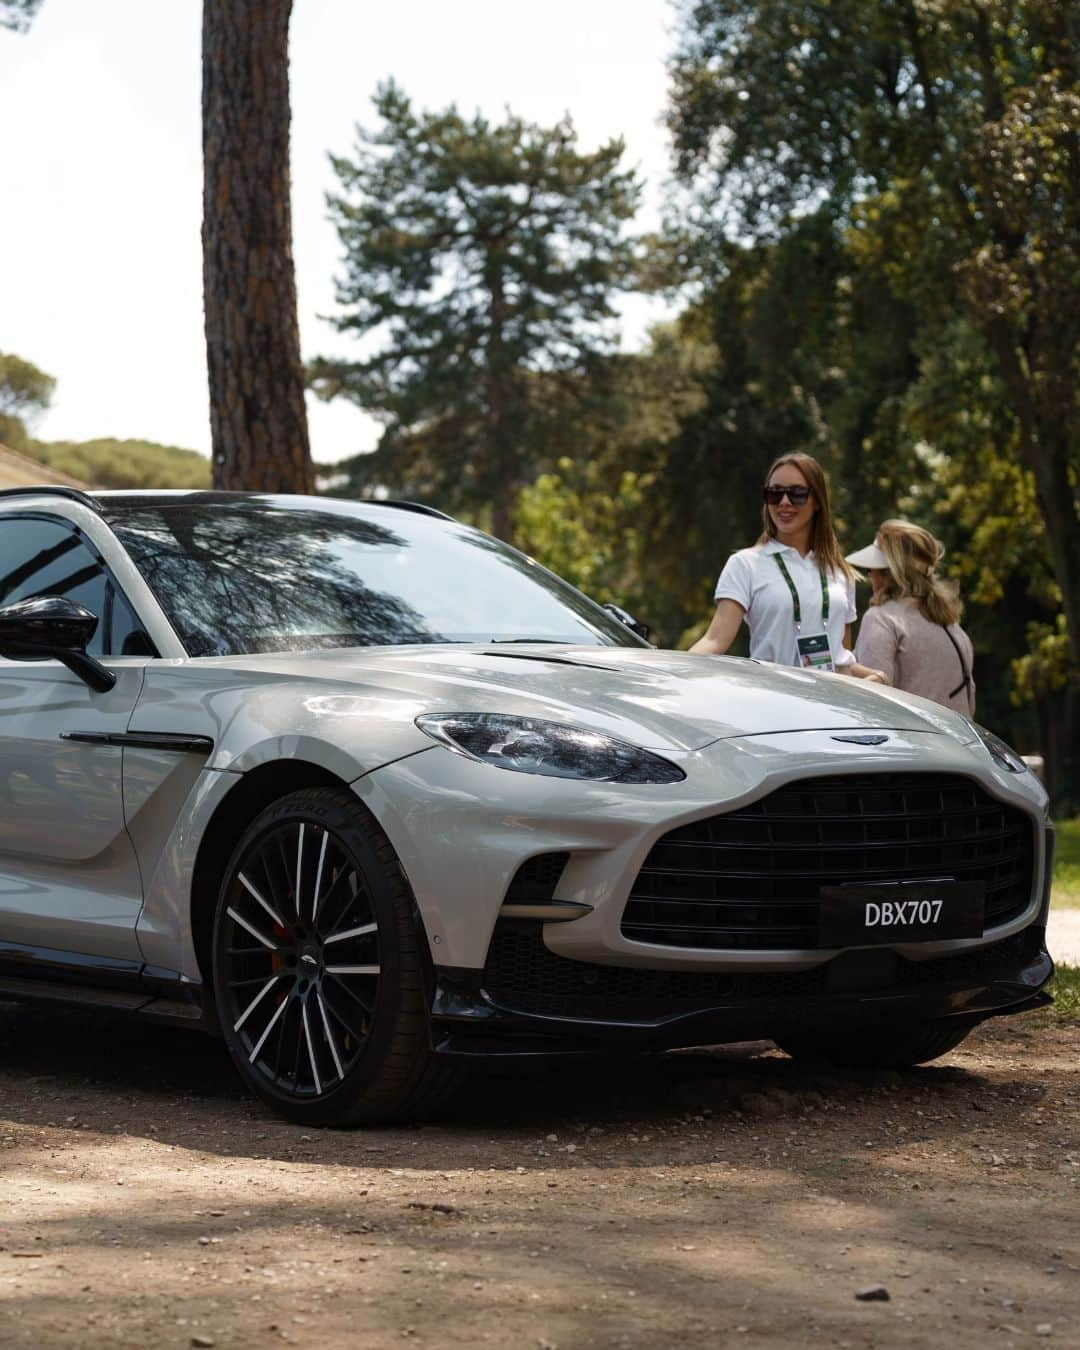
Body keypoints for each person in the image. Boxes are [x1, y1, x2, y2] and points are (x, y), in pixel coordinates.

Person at [690, 452, 888, 682]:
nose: (784, 502)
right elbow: (714, 641)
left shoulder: (840, 573)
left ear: (817, 502)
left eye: (797, 494)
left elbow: (840, 659)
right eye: (774, 494)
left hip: (832, 707)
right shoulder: (745, 565)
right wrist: (670, 675)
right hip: (773, 701)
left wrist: (877, 677)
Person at [846, 520, 975, 713]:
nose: (869, 574)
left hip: (908, 741)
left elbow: (872, 706)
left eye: (871, 568)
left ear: (888, 573)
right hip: (957, 742)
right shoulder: (952, 625)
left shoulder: (881, 619)